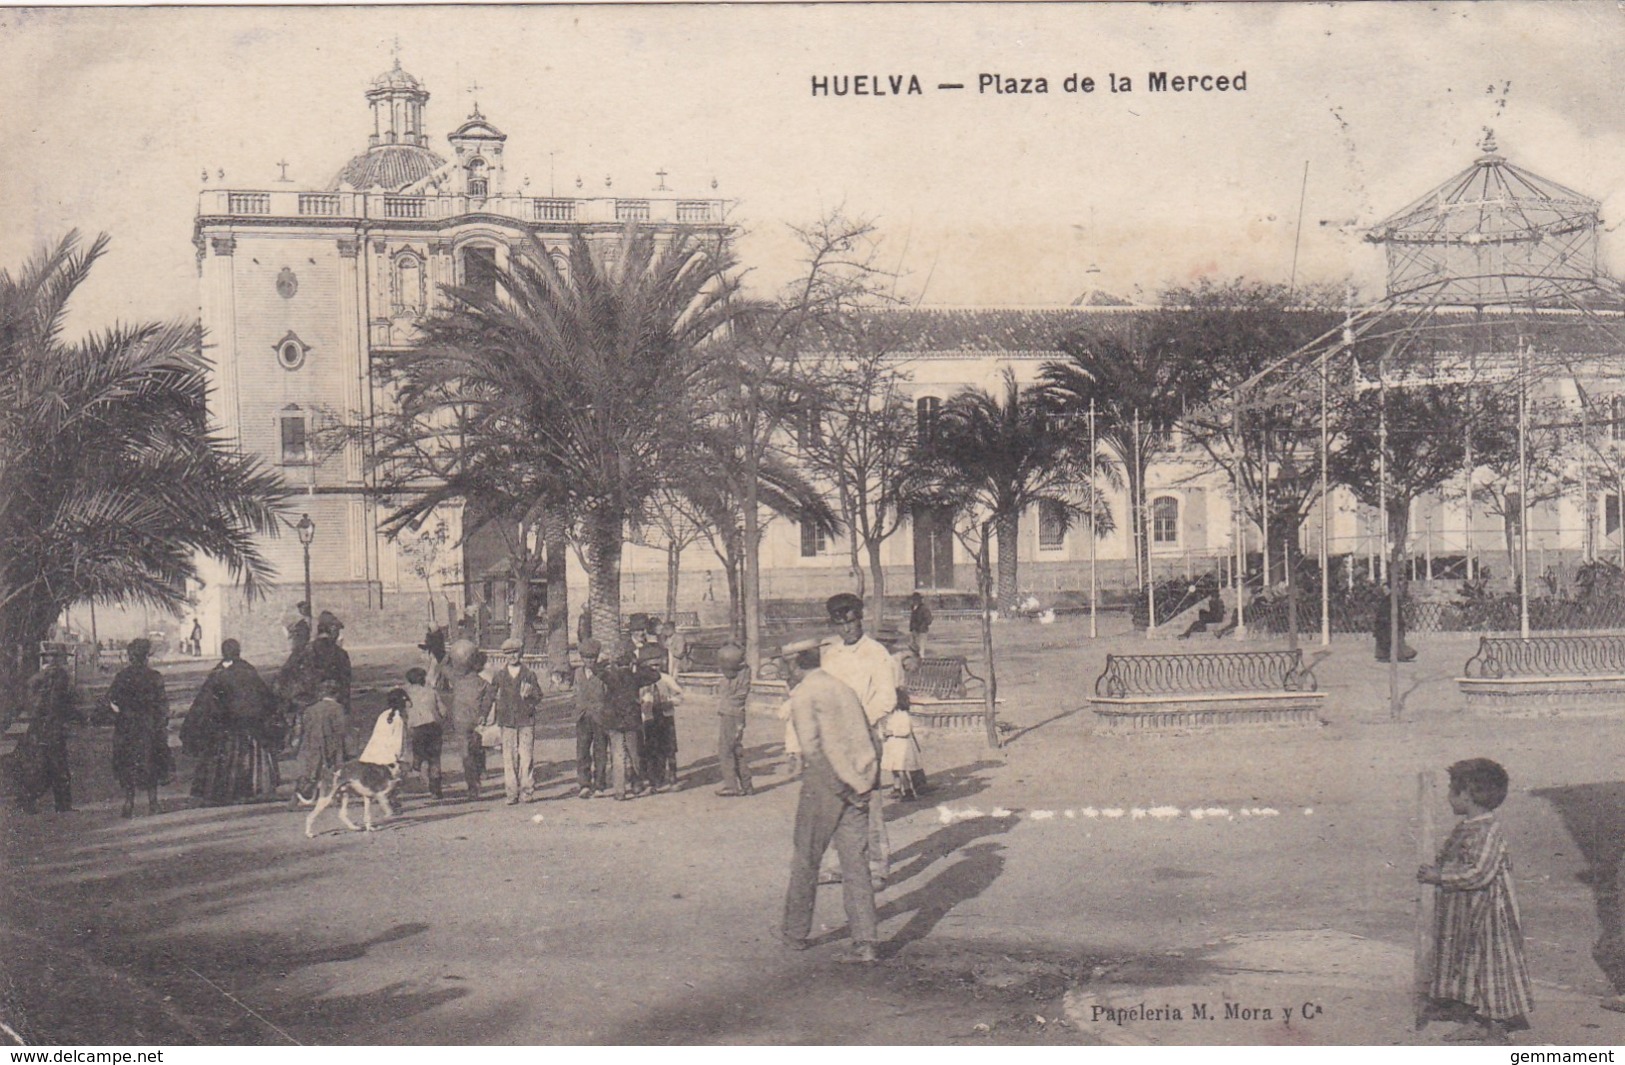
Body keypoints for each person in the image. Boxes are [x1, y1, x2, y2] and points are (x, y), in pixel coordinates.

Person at [777, 643, 882, 964]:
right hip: (860, 784)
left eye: (785, 664)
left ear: (796, 663)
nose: (782, 671)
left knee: (807, 858)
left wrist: (837, 786)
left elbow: (811, 748)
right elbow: (871, 738)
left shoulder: (804, 695)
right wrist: (863, 785)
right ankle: (866, 943)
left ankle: (795, 933)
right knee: (856, 865)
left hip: (826, 784)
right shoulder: (843, 688)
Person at [1417, 758, 1533, 1043]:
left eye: (1451, 791)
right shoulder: (1467, 827)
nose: (1448, 798)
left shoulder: (1488, 830)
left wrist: (1439, 877)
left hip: (1490, 915)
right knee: (1469, 964)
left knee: (1491, 967)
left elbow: (1478, 873)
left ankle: (1495, 1025)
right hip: (1468, 912)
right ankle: (1474, 1014)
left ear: (1466, 795)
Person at [818, 592, 903, 887]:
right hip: (836, 737)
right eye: (839, 624)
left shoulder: (876, 653)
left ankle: (877, 866)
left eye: (851, 623)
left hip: (866, 734)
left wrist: (858, 720)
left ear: (860, 619)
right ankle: (836, 864)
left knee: (870, 801)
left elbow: (886, 698)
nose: (846, 629)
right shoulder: (831, 655)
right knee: (835, 800)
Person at [185, 639, 280, 805]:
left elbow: (205, 701)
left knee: (223, 757)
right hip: (248, 727)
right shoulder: (247, 670)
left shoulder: (218, 673)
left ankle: (223, 792)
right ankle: (250, 790)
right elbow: (264, 697)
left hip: (225, 727)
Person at [108, 638, 173, 818]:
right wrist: (163, 721)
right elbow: (162, 703)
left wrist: (120, 713)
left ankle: (129, 803)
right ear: (146, 657)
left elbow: (112, 700)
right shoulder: (155, 676)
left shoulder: (122, 677)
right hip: (149, 725)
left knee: (128, 763)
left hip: (127, 726)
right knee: (151, 761)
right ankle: (153, 803)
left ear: (130, 657)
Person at [16, 661, 84, 814]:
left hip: (40, 735)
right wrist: (82, 718)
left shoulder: (40, 695)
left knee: (48, 770)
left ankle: (30, 800)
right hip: (53, 736)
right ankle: (58, 804)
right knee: (56, 771)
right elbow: (69, 711)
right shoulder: (57, 696)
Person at [484, 637, 543, 804]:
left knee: (526, 756)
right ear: (504, 656)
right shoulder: (500, 675)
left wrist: (531, 694)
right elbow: (490, 696)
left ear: (521, 653)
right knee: (508, 758)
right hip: (507, 721)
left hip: (526, 720)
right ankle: (511, 792)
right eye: (508, 653)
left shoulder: (529, 675)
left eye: (515, 652)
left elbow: (539, 696)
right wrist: (483, 714)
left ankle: (527, 791)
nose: (512, 656)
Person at [601, 638, 659, 801]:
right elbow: (656, 675)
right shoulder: (635, 676)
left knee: (618, 755)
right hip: (632, 721)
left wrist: (606, 661)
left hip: (614, 720)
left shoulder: (610, 676)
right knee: (635, 754)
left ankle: (619, 790)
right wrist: (640, 664)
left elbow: (597, 670)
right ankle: (641, 782)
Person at [445, 642, 491, 800]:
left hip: (461, 721)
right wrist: (484, 714)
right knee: (477, 748)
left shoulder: (456, 680)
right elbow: (488, 700)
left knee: (466, 754)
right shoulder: (482, 682)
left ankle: (473, 787)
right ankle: (480, 772)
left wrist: (446, 657)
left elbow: (442, 666)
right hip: (477, 721)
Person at [292, 677, 349, 805]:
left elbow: (304, 726)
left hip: (311, 742)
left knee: (309, 770)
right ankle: (335, 796)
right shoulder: (338, 708)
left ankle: (296, 797)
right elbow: (341, 729)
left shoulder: (311, 708)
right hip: (330, 742)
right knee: (334, 769)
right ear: (337, 693)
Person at [714, 642, 753, 797]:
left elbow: (728, 674)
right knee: (736, 749)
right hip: (738, 715)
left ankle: (731, 785)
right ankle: (746, 784)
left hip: (730, 715)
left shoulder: (731, 679)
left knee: (725, 750)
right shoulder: (745, 673)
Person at [573, 638, 610, 798]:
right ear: (582, 658)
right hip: (583, 717)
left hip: (600, 717)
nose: (590, 661)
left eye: (593, 658)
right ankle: (584, 784)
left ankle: (600, 784)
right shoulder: (578, 673)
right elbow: (575, 692)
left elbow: (608, 694)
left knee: (600, 751)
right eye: (586, 658)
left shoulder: (603, 674)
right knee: (582, 752)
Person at [404, 666, 444, 799]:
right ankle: (435, 789)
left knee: (420, 755)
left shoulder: (407, 695)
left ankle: (419, 772)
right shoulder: (432, 692)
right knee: (435, 759)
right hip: (433, 728)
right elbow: (443, 711)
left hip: (418, 729)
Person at [360, 688, 409, 766]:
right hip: (386, 760)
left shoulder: (383, 715)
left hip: (369, 756)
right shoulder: (398, 719)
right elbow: (398, 745)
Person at [1374, 589, 1417, 663]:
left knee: (1392, 638)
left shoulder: (1391, 600)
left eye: (1386, 589)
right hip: (1386, 623)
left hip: (1390, 623)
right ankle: (1385, 653)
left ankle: (1400, 653)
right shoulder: (1385, 600)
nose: (1384, 591)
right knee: (1386, 637)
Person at [908, 593, 933, 658]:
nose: (914, 601)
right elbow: (912, 620)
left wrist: (923, 626)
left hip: (922, 630)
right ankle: (915, 657)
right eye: (913, 600)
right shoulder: (913, 608)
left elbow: (929, 619)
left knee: (921, 646)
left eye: (916, 600)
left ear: (919, 600)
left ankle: (921, 658)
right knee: (913, 645)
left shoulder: (924, 608)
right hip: (915, 630)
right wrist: (911, 628)